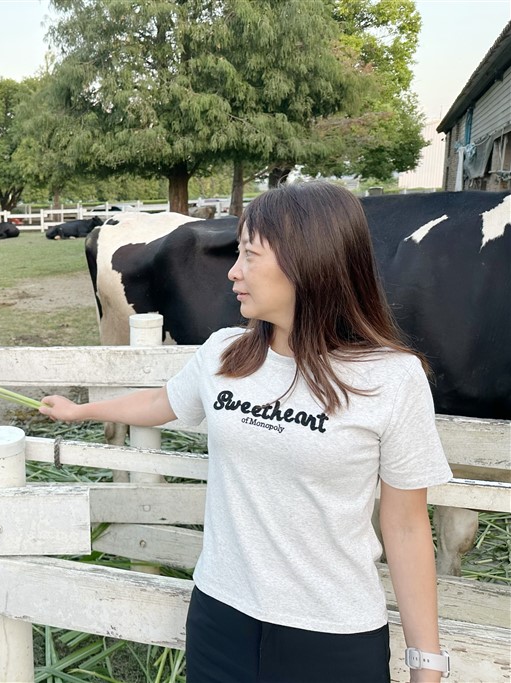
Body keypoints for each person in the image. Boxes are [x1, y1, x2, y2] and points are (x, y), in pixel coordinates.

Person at [40, 181, 452, 683]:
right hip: (221, 618)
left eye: (250, 256)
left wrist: (426, 662)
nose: (233, 271)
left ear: (309, 262)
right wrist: (81, 411)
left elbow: (406, 527)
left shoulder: (391, 378)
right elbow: (160, 402)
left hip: (332, 634)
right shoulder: (225, 352)